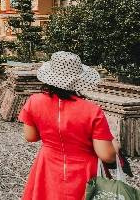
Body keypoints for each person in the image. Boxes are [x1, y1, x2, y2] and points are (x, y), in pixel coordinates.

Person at [19, 51, 117, 200]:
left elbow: (30, 137)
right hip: (84, 172)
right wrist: (116, 145)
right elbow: (107, 156)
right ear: (78, 80)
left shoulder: (34, 101)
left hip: (47, 167)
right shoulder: (92, 111)